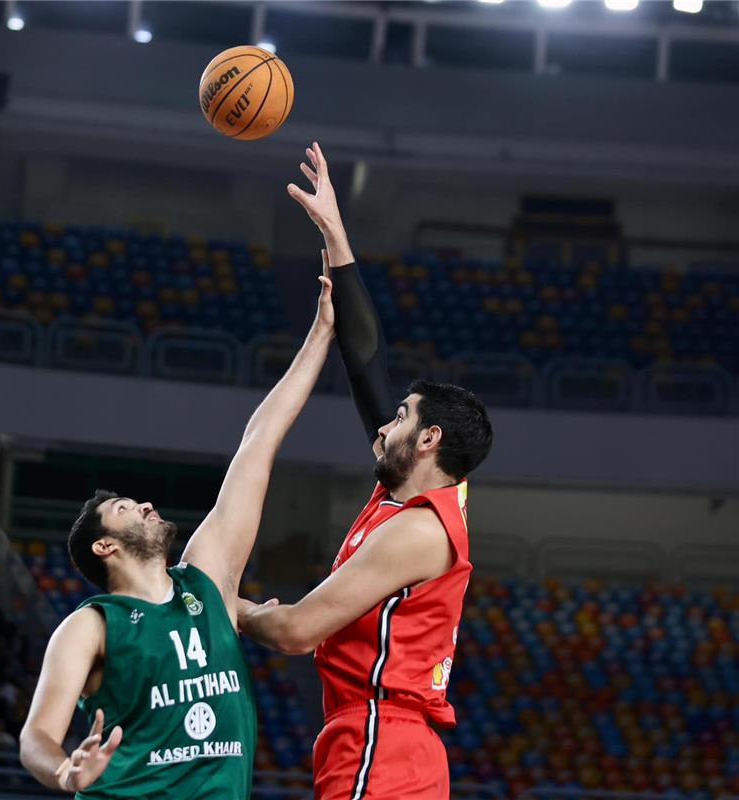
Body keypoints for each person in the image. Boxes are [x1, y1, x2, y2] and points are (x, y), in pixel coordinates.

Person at [19, 259, 337, 798]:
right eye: (123, 508)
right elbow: (35, 737)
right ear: (105, 546)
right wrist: (64, 771)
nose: (144, 504)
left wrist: (323, 330)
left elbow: (258, 442)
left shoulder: (207, 582)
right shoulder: (92, 626)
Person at [237, 143, 495, 800]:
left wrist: (214, 603)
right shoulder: (406, 494)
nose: (384, 424)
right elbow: (365, 362)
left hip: (383, 739)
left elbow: (296, 632)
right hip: (380, 742)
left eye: (402, 416)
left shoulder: (420, 532)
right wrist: (334, 232)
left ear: (430, 438)